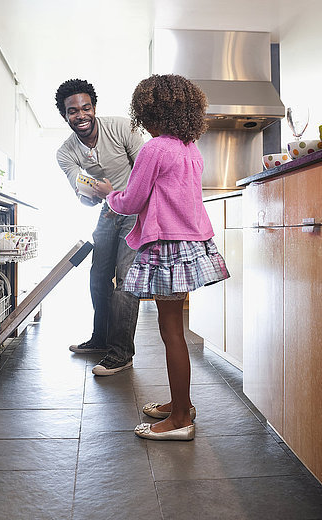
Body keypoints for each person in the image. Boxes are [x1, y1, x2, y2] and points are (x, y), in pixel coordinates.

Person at [93, 74, 230, 440]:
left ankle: (181, 418)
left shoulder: (155, 148)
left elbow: (132, 200)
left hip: (167, 245)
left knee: (170, 330)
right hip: (190, 243)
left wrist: (109, 195)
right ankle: (179, 402)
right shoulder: (190, 147)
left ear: (151, 113)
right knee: (175, 330)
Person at [55, 78, 144, 376]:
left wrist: (118, 195)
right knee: (98, 278)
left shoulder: (121, 128)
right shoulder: (66, 152)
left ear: (94, 108)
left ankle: (121, 353)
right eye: (73, 111)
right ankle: (101, 339)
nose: (81, 115)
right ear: (64, 115)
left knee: (125, 280)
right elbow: (80, 196)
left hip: (134, 209)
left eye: (86, 108)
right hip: (107, 212)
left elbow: (145, 173)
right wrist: (91, 195)